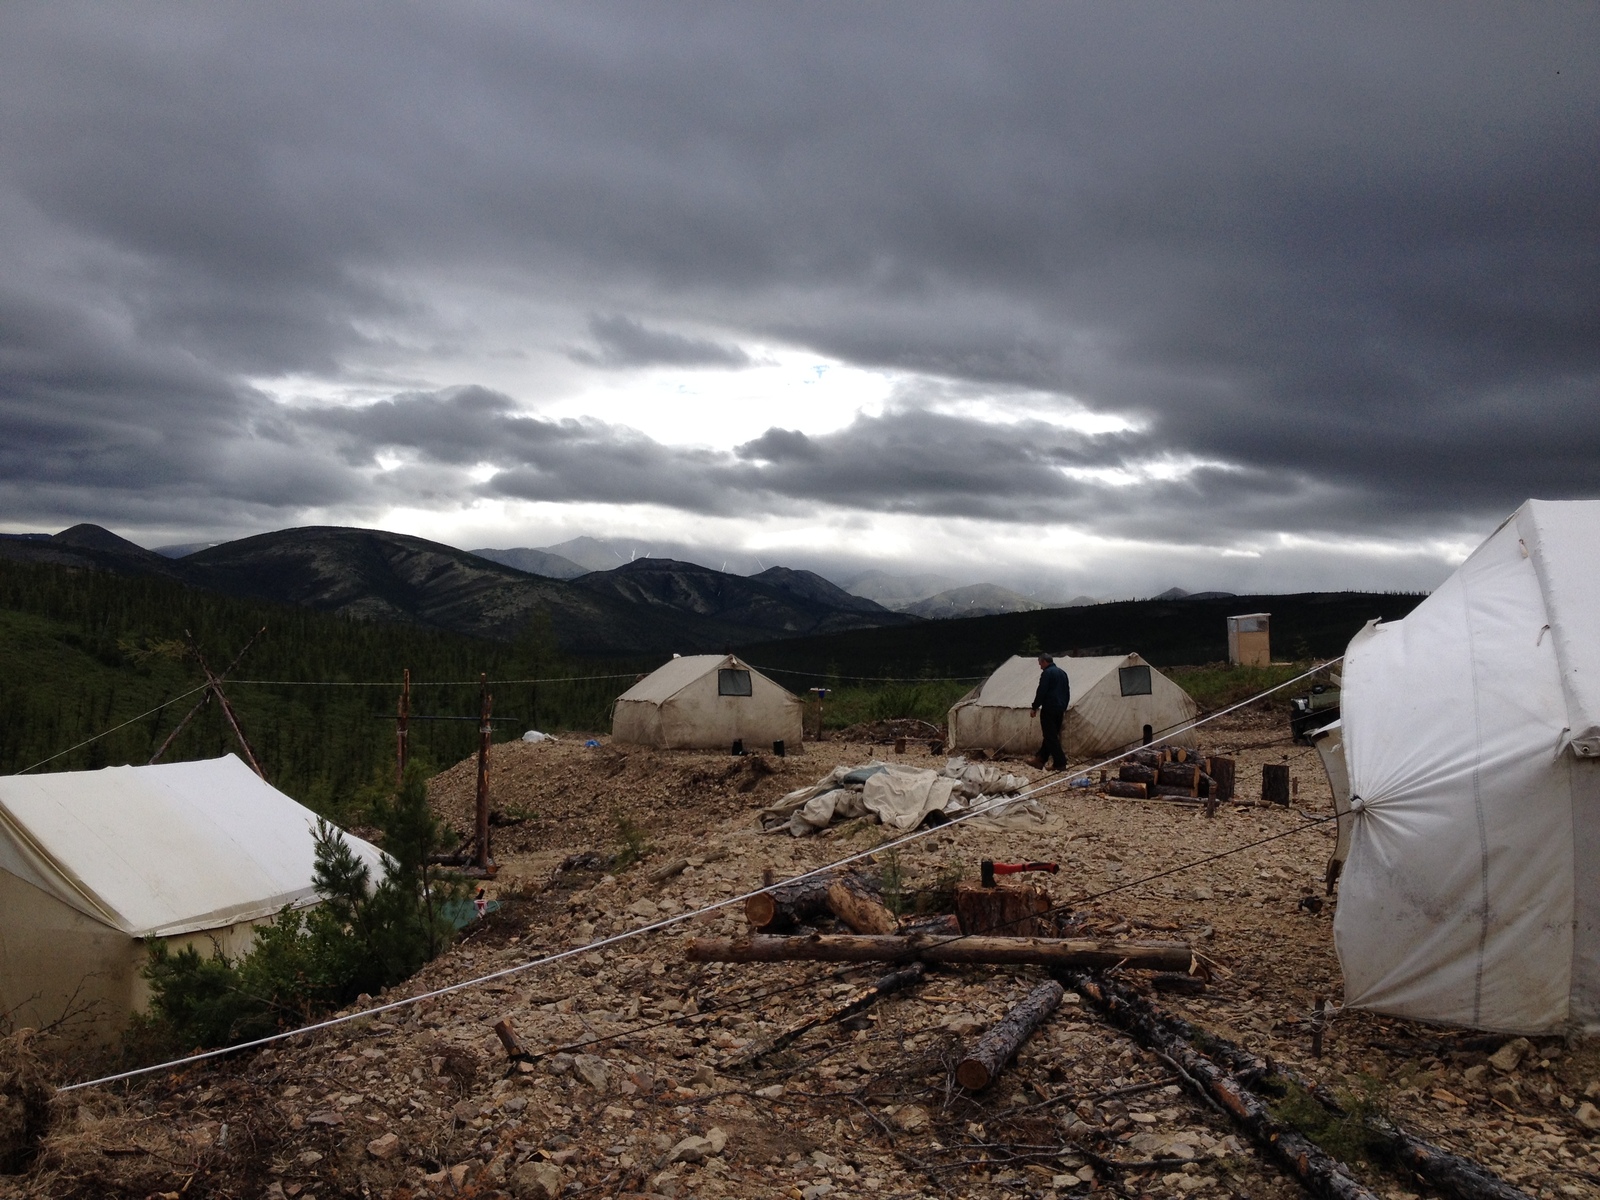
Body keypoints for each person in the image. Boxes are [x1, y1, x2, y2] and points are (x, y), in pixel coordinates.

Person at [1028, 654, 1070, 771]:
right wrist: (1064, 706)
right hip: (1060, 708)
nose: (1040, 666)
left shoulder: (1047, 673)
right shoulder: (1062, 673)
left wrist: (1035, 706)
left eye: (1040, 664)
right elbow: (1067, 691)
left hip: (1049, 708)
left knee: (1050, 736)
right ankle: (1040, 759)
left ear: (1045, 662)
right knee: (1051, 734)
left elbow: (1042, 691)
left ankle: (1060, 762)